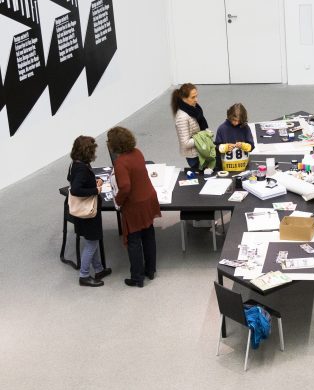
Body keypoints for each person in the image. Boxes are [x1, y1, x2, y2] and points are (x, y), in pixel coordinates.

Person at [107, 126, 161, 287]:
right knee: (149, 235)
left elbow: (124, 186)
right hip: (149, 200)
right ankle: (150, 270)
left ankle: (137, 277)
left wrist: (118, 200)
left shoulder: (120, 163)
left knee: (134, 241)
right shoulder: (137, 152)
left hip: (135, 206)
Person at [67, 135, 111, 287]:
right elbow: (76, 189)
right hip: (89, 213)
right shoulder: (81, 168)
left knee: (92, 240)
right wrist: (96, 189)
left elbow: (70, 179)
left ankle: (98, 269)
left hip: (81, 213)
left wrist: (93, 181)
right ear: (87, 152)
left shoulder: (75, 164)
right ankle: (84, 275)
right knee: (92, 243)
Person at [171, 83, 209, 172]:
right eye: (193, 97)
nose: (196, 100)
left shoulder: (194, 109)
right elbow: (185, 143)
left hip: (201, 151)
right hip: (194, 156)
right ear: (183, 99)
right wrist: (203, 136)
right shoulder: (182, 118)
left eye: (196, 96)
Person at [214, 103, 255, 173]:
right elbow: (217, 147)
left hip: (243, 169)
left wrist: (243, 145)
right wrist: (225, 147)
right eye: (234, 120)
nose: (236, 123)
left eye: (239, 121)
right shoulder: (222, 129)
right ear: (229, 116)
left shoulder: (245, 128)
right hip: (226, 170)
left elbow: (251, 147)